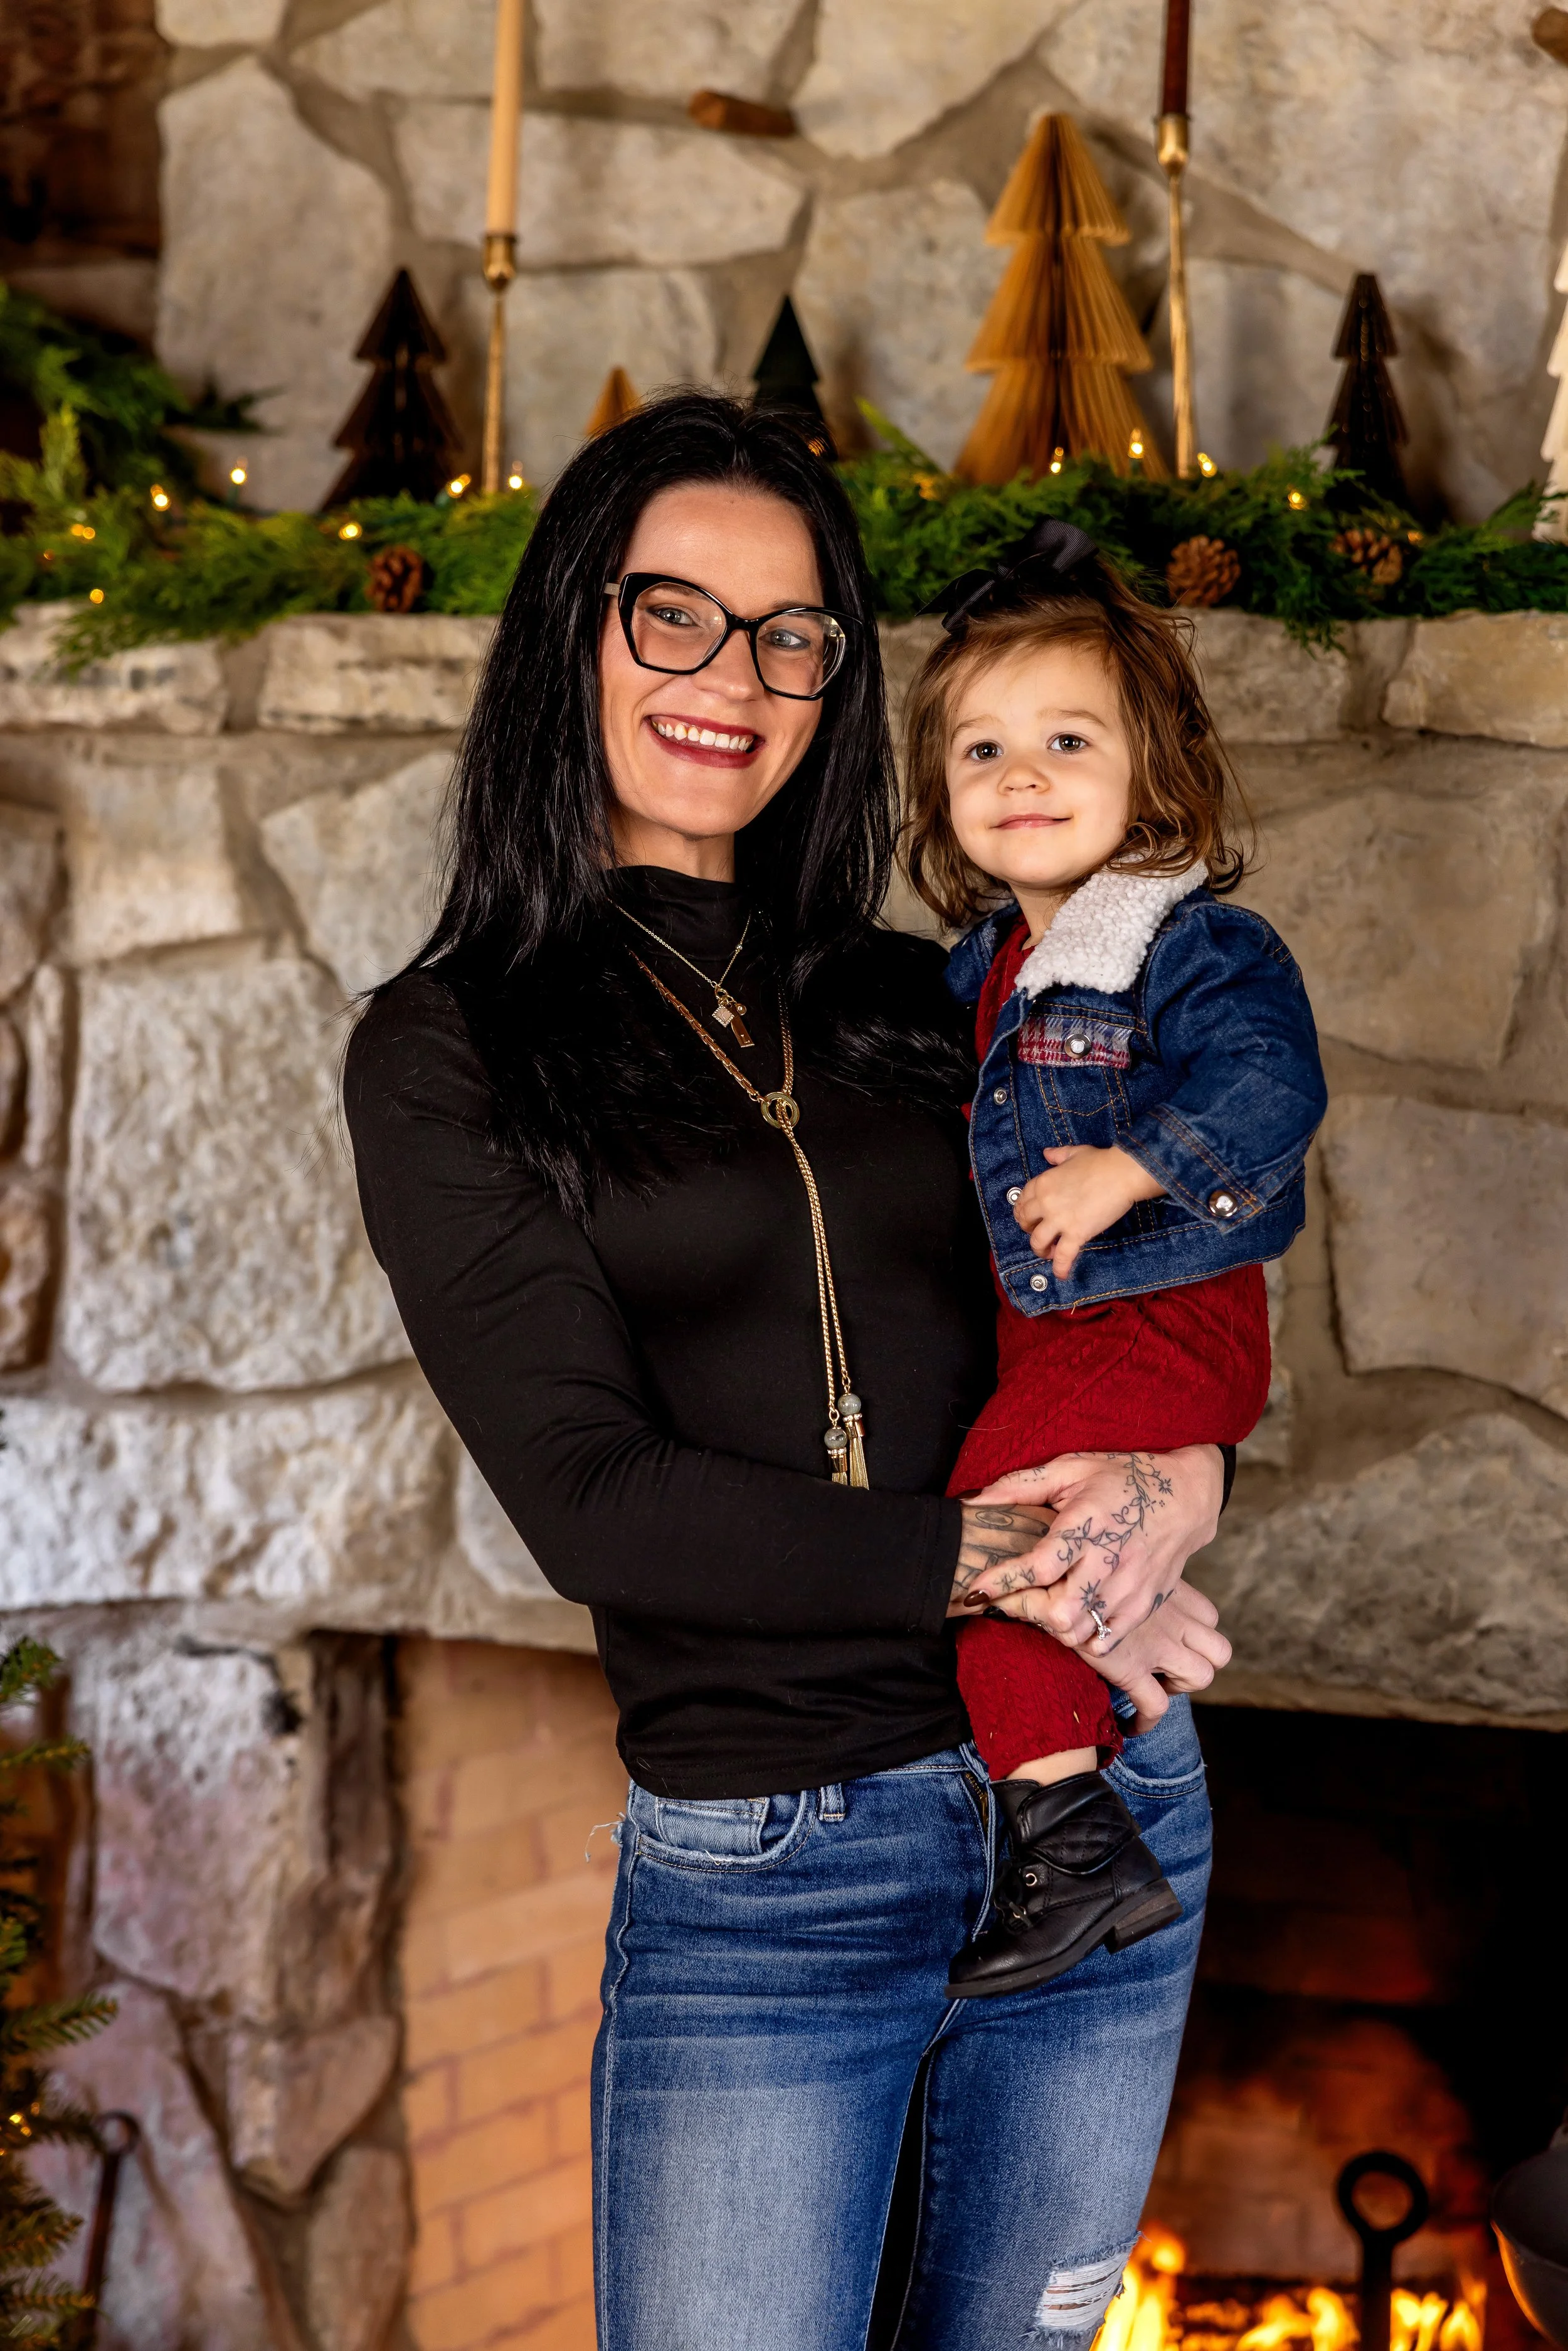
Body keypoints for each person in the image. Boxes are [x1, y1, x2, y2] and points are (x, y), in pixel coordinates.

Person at [344, 393, 1235, 2351]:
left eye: (791, 634)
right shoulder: (450, 1049)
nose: (730, 682)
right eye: (670, 616)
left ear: (837, 682)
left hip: (1090, 1802)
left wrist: (1181, 1486)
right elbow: (589, 1494)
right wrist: (985, 1557)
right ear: (570, 626)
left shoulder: (924, 990)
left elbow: (1140, 1291)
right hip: (770, 1885)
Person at [898, 518, 1326, 2003]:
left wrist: (1135, 1163)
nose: (1019, 776)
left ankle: (1066, 1831)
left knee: (995, 1520)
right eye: (980, 751)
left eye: (1066, 740)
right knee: (1033, 1518)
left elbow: (1273, 1090)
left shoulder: (1190, 947)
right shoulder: (979, 969)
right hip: (1065, 1337)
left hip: (1166, 1313)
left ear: (1152, 775)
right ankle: (1105, 1667)